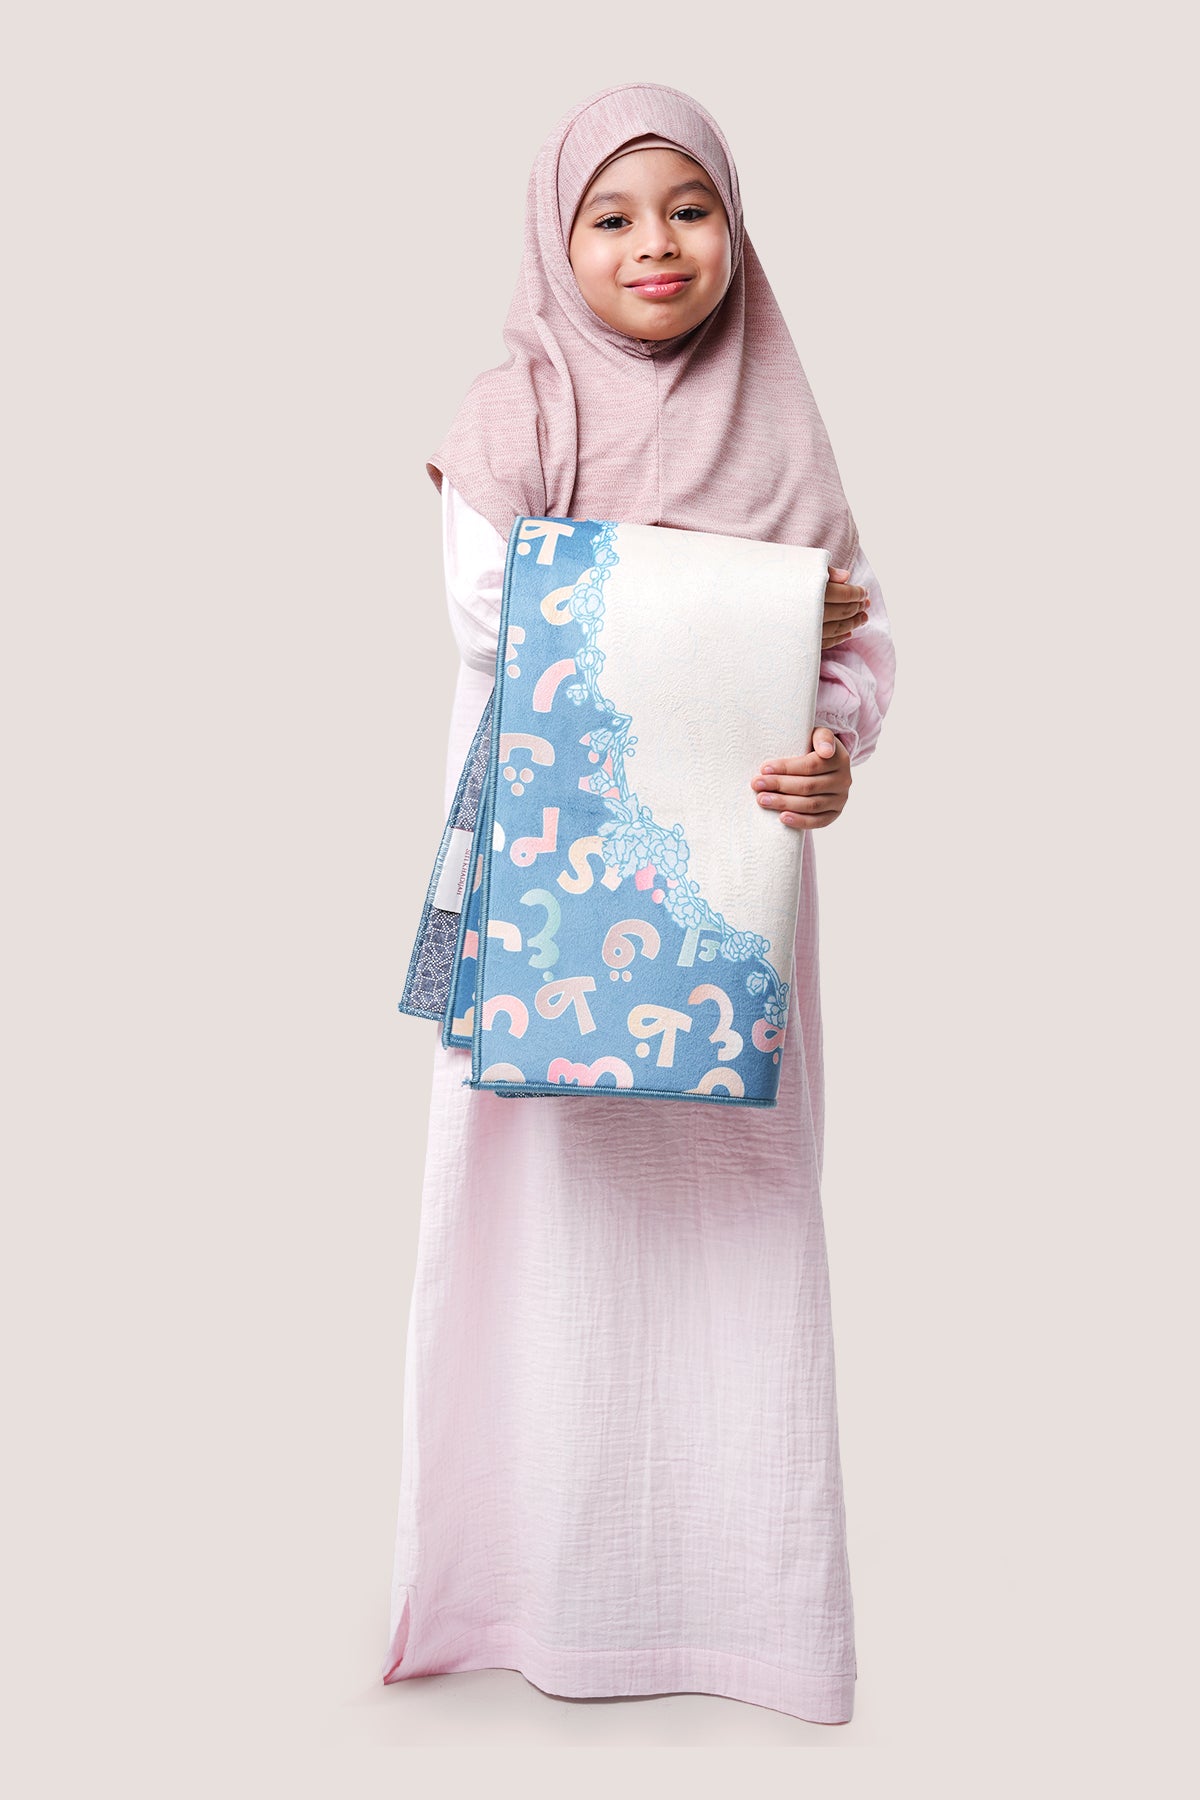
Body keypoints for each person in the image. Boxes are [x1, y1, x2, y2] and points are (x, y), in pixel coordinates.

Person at [384, 81, 896, 1726]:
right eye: (610, 215)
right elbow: (492, 617)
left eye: (689, 208)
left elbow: (853, 641)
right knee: (537, 1223)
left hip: (722, 902)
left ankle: (739, 1612)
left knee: (735, 1220)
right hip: (549, 889)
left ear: (735, 229)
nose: (654, 244)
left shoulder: (780, 418)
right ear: (559, 239)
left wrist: (831, 742)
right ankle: (524, 1592)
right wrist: (750, 606)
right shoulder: (514, 411)